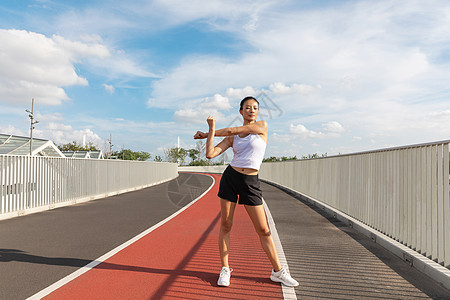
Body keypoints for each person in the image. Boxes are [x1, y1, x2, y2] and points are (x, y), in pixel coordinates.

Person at [194, 96, 299, 287]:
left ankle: (278, 272)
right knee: (226, 225)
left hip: (251, 182)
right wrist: (209, 132)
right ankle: (225, 269)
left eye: (255, 108)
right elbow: (210, 154)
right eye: (247, 108)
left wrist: (208, 132)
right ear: (240, 111)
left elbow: (234, 129)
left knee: (264, 230)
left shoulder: (261, 126)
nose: (252, 110)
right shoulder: (232, 137)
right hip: (231, 178)